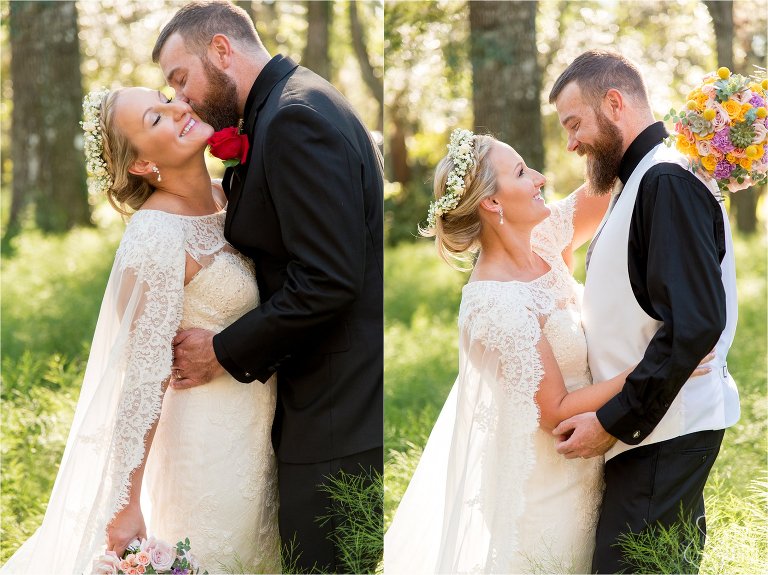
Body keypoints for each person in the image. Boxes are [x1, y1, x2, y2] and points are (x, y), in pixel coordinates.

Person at [382, 129, 714, 574]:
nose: (539, 177)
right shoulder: (494, 302)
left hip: (604, 460)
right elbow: (555, 410)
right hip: (553, 483)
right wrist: (663, 364)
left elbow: (618, 180)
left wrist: (706, 133)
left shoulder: (544, 238)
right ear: (493, 204)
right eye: (521, 172)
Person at [0, 88, 279, 574]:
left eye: (166, 98)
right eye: (157, 117)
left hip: (261, 428)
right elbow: (142, 377)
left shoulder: (227, 195)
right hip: (206, 447)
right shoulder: (155, 236)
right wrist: (125, 501)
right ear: (141, 165)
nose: (179, 108)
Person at [151, 1, 383, 572]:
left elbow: (327, 279)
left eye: (182, 79)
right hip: (309, 405)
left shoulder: (295, 118)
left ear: (223, 51)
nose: (181, 99)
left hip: (336, 417)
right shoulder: (282, 109)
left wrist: (223, 351)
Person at [548, 50, 740, 574]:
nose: (571, 143)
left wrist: (612, 421)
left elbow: (696, 322)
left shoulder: (666, 179)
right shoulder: (634, 183)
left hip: (663, 430)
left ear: (614, 103)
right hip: (652, 431)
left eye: (574, 123)